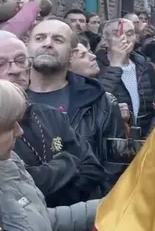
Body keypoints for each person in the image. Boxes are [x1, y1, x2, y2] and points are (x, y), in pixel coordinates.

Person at [24, 19, 124, 185]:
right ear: (28, 46)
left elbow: (115, 167)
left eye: (58, 40)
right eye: (40, 38)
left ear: (71, 53)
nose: (48, 44)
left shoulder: (101, 102)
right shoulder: (8, 100)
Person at [0, 78, 101, 231]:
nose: (20, 132)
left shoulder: (10, 163)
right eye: (9, 126)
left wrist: (108, 205)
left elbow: (38, 219)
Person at [95, 18, 155, 138]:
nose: (124, 39)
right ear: (105, 41)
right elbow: (98, 103)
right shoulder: (96, 67)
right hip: (111, 140)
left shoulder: (145, 66)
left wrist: (150, 137)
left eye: (129, 34)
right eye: (116, 34)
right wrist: (115, 63)